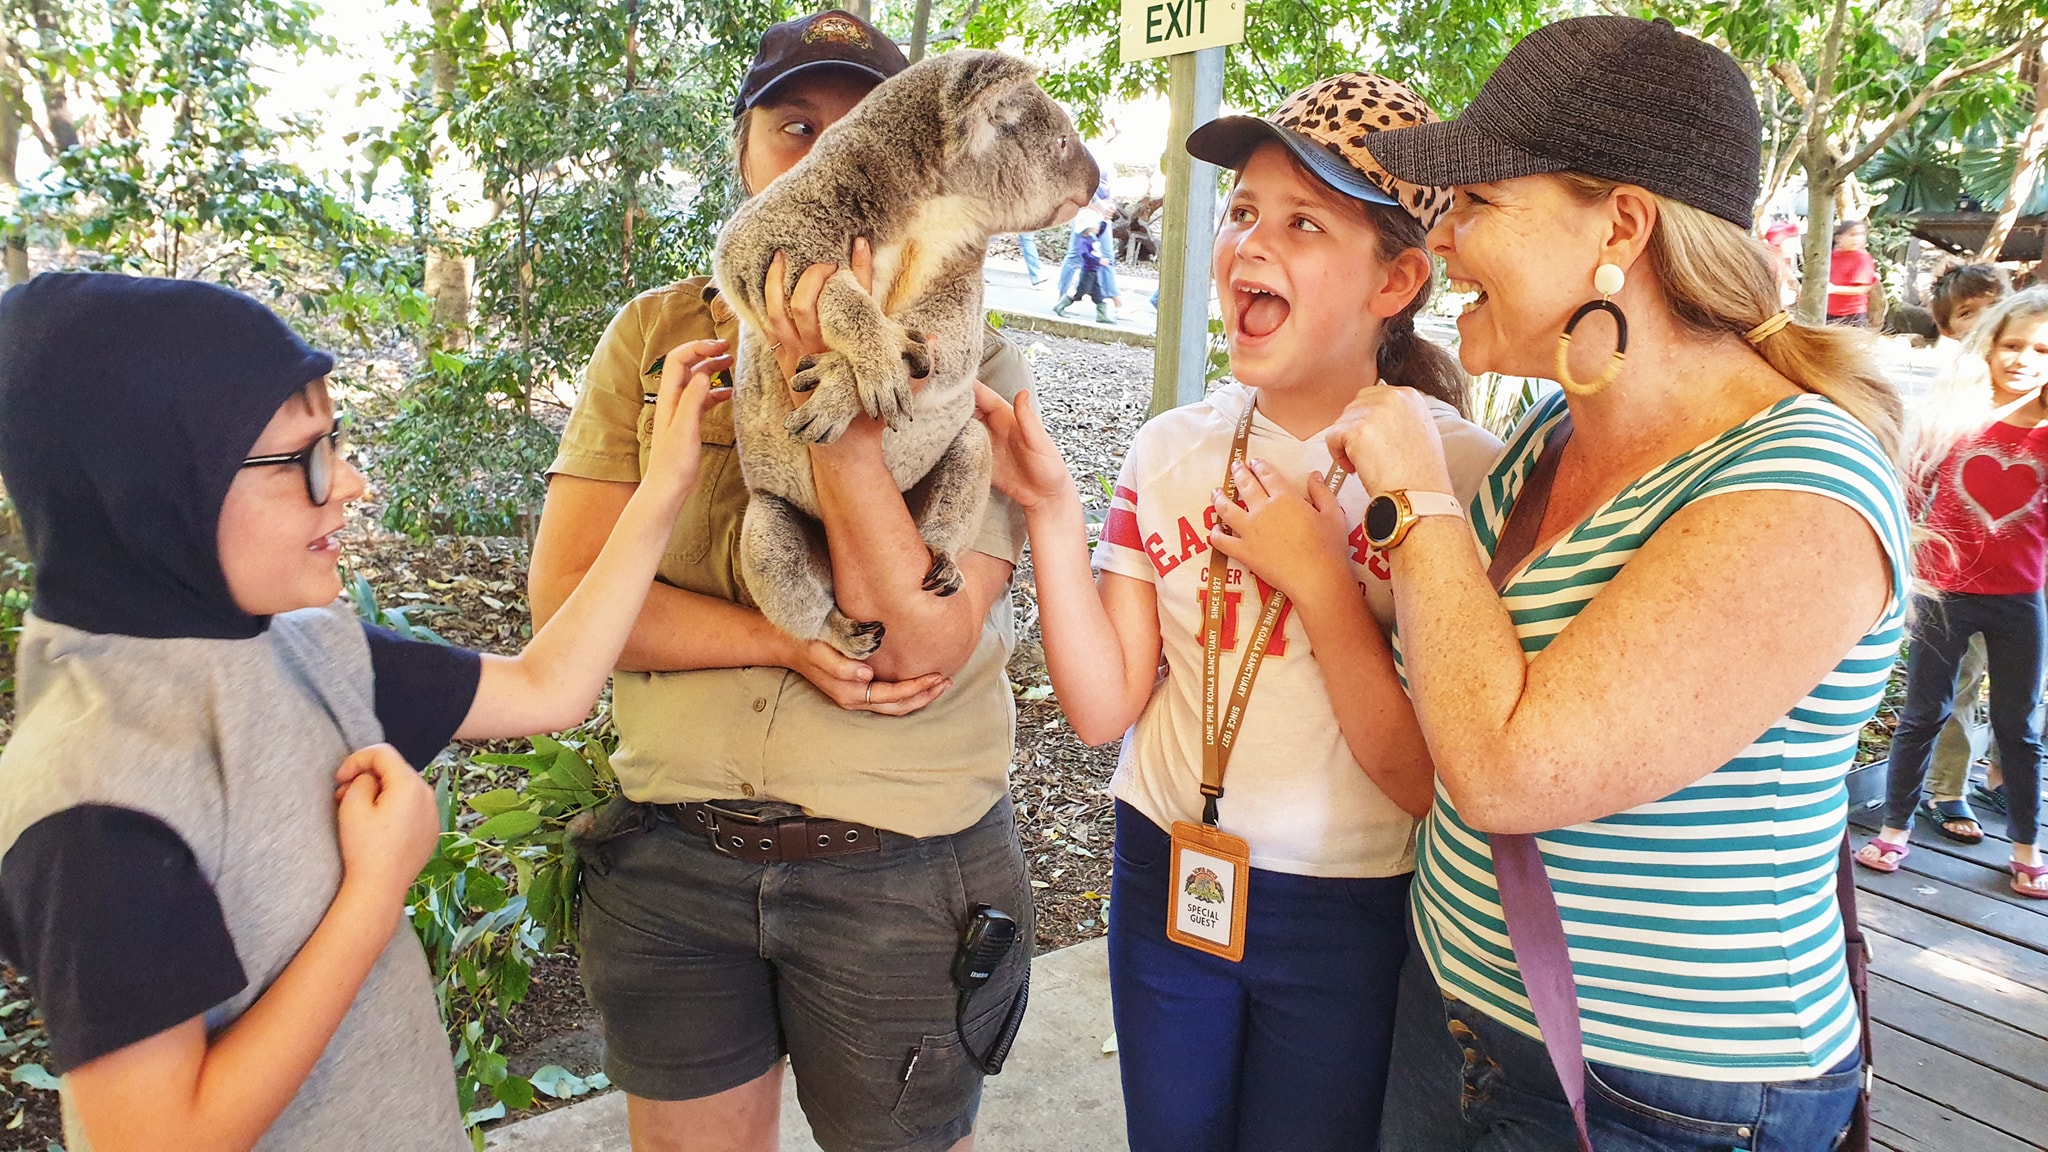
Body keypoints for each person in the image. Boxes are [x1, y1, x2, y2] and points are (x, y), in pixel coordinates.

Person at [1329, 18, 1908, 1149]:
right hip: (1449, 1010)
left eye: (1478, 204)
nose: (1441, 243)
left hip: (1657, 1095)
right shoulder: (1551, 432)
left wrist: (1415, 497)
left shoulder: (1802, 486)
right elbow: (1460, 674)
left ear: (1622, 227)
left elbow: (1503, 770)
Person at [0, 272, 719, 1151]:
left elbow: (547, 689)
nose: (352, 484)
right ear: (154, 485)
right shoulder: (97, 795)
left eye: (336, 442)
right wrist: (377, 889)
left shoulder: (295, 643)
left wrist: (663, 488)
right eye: (304, 458)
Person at [525, 11, 1035, 1152]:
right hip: (672, 861)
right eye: (790, 127)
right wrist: (782, 640)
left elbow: (918, 643)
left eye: (856, 129)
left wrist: (838, 398)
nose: (822, 155)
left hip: (896, 873)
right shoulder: (658, 340)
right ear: (744, 155)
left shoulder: (977, 361)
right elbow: (569, 612)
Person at [975, 74, 1501, 1152]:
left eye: (1303, 222)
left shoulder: (1459, 474)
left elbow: (1422, 779)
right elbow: (1100, 706)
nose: (1250, 245)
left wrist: (1320, 581)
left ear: (1396, 278)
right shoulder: (1169, 450)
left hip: (1350, 904)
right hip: (1165, 866)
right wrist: (1049, 510)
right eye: (1243, 213)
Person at [1859, 288, 2048, 896]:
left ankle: (2026, 845)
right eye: (2011, 345)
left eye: (2041, 349)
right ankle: (1895, 829)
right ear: (1987, 347)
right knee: (1922, 715)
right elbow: (1909, 502)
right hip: (1944, 596)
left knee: (2018, 728)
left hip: (2021, 600)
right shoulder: (1951, 421)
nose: (2022, 359)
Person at [1921, 261, 2014, 842]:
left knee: (2022, 679)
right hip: (1961, 568)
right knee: (1961, 677)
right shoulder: (1954, 396)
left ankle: (2002, 774)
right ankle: (1946, 785)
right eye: (1969, 313)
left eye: (1995, 309)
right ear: (1951, 329)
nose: (1985, 323)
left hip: (2025, 567)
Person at [1052, 211, 1115, 323]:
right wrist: (1098, 261)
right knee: (1079, 293)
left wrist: (1104, 220)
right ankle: (1060, 306)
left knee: (1098, 294)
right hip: (1087, 272)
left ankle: (1102, 316)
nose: (1097, 227)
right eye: (1095, 226)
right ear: (1088, 228)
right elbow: (1085, 255)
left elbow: (1102, 229)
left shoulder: (1093, 237)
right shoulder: (1083, 241)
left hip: (1094, 272)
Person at [1828, 218, 1881, 327]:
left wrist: (1834, 289)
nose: (1857, 239)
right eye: (1852, 235)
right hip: (1829, 312)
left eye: (1861, 234)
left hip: (1852, 314)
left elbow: (1864, 288)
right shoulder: (1831, 256)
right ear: (1839, 238)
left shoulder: (1862, 258)